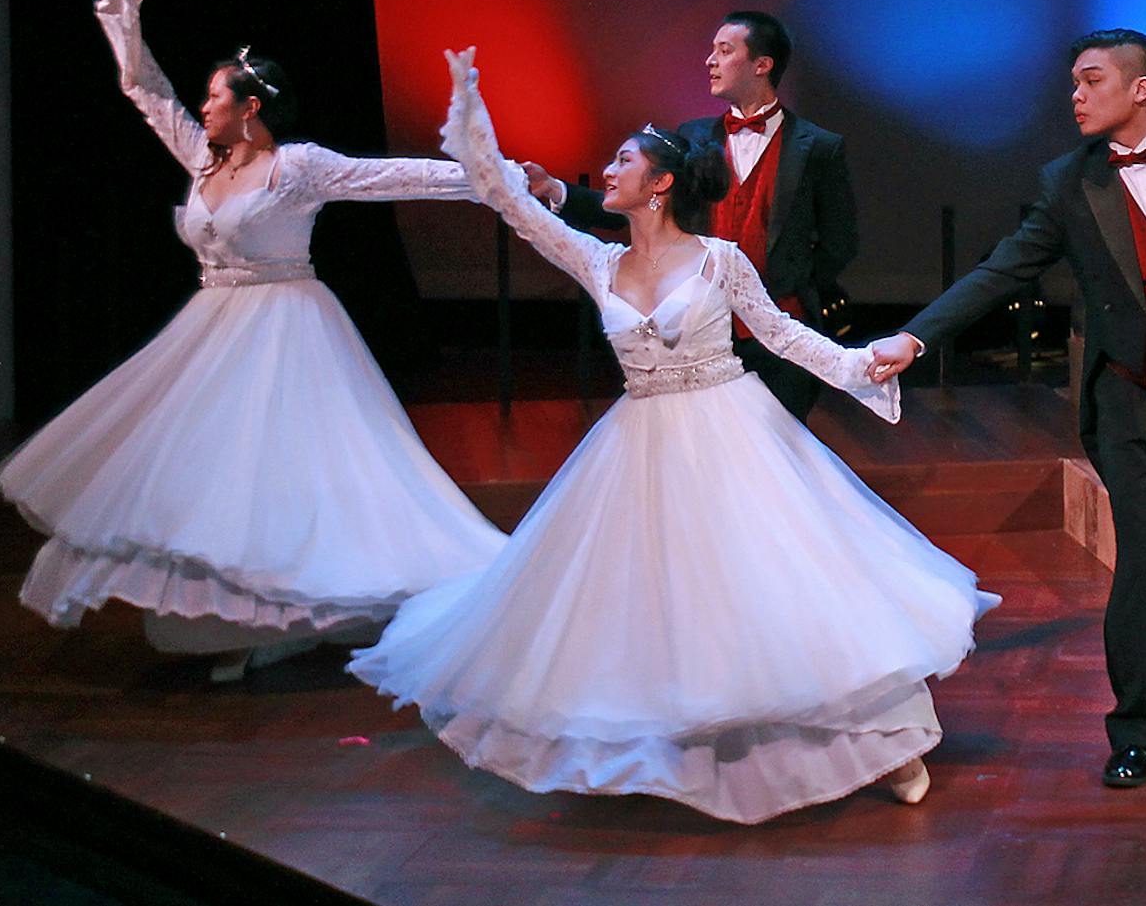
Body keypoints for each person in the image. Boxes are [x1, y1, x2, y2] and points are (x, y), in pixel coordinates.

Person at [351, 50, 995, 823]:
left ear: (661, 183)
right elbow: (510, 204)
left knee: (787, 591)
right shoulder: (598, 259)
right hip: (640, 443)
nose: (608, 170)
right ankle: (690, 749)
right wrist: (470, 110)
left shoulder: (720, 260)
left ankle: (888, 742)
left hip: (731, 433)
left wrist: (862, 366)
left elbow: (782, 333)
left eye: (623, 160)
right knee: (664, 612)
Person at [0, 0, 507, 682]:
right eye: (205, 98)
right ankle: (236, 616)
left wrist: (495, 179)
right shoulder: (205, 161)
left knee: (283, 475)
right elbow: (149, 94)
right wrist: (125, 31)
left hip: (286, 325)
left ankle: (294, 616)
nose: (203, 107)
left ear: (251, 108)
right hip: (212, 331)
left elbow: (389, 175)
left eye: (216, 97)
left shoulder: (296, 167)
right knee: (211, 478)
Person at [867, 30, 1146, 789]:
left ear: (1139, 89)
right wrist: (916, 336)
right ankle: (1137, 730)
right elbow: (1002, 270)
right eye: (1073, 83)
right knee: (1139, 565)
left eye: (1091, 80)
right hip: (1132, 395)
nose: (1076, 95)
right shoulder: (1070, 181)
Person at [526, 11, 854, 420]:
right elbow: (642, 205)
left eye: (724, 50)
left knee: (775, 461)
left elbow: (840, 241)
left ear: (762, 64)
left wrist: (787, 285)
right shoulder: (694, 136)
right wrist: (554, 190)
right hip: (699, 333)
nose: (710, 61)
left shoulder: (818, 147)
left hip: (780, 332)